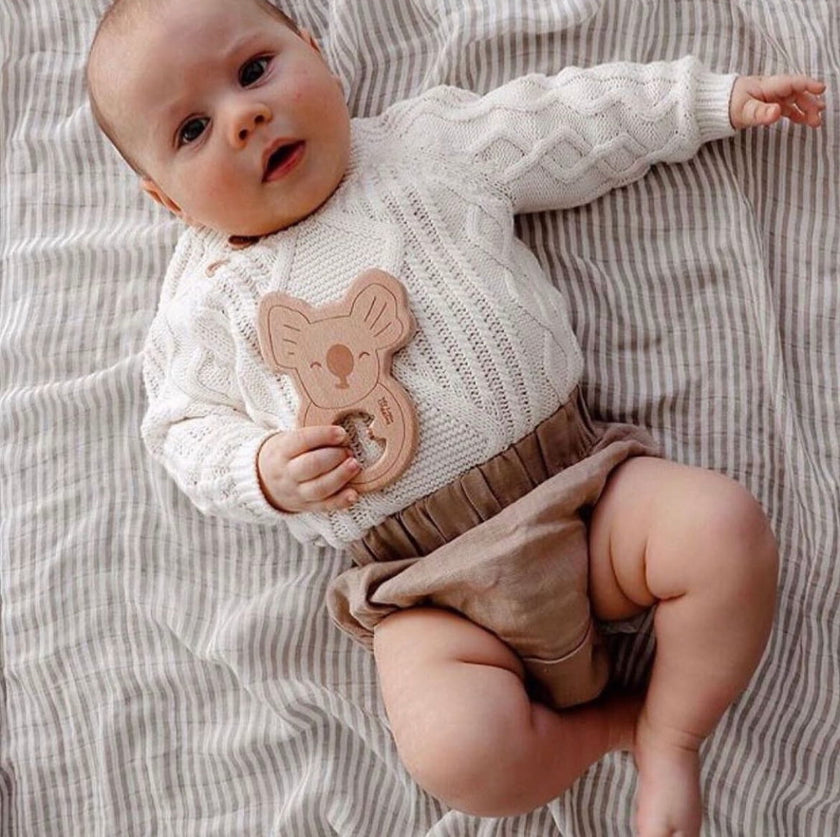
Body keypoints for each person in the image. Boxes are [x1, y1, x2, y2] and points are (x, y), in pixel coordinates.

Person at [86, 0, 824, 833]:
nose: (244, 115)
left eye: (255, 70)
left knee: (722, 530)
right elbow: (179, 431)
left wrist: (707, 101)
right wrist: (260, 468)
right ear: (165, 199)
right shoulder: (201, 309)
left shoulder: (424, 146)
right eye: (190, 130)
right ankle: (607, 728)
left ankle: (671, 731)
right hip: (428, 590)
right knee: (455, 754)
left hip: (580, 493)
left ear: (316, 52)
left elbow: (565, 120)